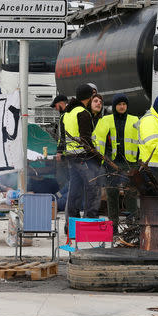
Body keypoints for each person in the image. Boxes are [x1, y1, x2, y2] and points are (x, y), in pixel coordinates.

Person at [94, 94, 139, 228]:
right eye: (119, 104)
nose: (122, 106)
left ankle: (132, 226)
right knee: (112, 194)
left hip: (129, 163)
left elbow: (141, 140)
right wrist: (103, 159)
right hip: (111, 163)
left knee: (131, 194)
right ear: (114, 106)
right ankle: (113, 227)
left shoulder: (135, 120)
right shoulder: (106, 120)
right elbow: (98, 139)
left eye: (124, 104)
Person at [63, 83, 102, 222]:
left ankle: (71, 225)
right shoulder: (83, 113)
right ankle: (90, 222)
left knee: (74, 191)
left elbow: (63, 137)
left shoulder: (68, 113)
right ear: (89, 97)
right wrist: (97, 158)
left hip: (71, 157)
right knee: (94, 190)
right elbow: (86, 141)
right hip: (83, 158)